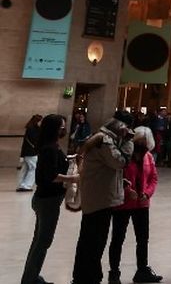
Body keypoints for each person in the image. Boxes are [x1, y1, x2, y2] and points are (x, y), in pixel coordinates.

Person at [72, 111, 135, 284]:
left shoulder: (104, 138)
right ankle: (88, 278)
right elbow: (119, 162)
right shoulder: (104, 141)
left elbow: (108, 169)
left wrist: (119, 181)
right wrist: (129, 142)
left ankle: (85, 276)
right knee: (94, 241)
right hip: (99, 200)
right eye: (127, 127)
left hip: (99, 197)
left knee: (90, 240)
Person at [21, 114, 76, 284]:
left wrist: (69, 160)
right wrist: (74, 178)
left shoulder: (50, 146)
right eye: (61, 127)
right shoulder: (49, 148)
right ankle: (30, 279)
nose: (64, 130)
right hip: (47, 201)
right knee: (42, 242)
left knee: (40, 240)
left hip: (46, 200)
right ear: (54, 129)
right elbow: (51, 176)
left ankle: (31, 277)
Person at [108, 126, 161, 283]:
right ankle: (114, 273)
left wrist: (147, 193)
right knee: (118, 239)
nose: (141, 144)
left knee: (143, 239)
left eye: (144, 142)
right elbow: (116, 177)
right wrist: (127, 189)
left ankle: (142, 270)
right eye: (139, 141)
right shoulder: (123, 156)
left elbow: (153, 178)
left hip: (142, 204)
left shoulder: (149, 157)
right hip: (123, 203)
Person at [17, 114, 43, 192]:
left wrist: (22, 155)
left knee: (26, 169)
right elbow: (35, 141)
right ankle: (26, 185)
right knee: (34, 168)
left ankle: (21, 184)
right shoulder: (34, 129)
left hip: (27, 152)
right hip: (31, 152)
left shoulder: (30, 128)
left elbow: (25, 143)